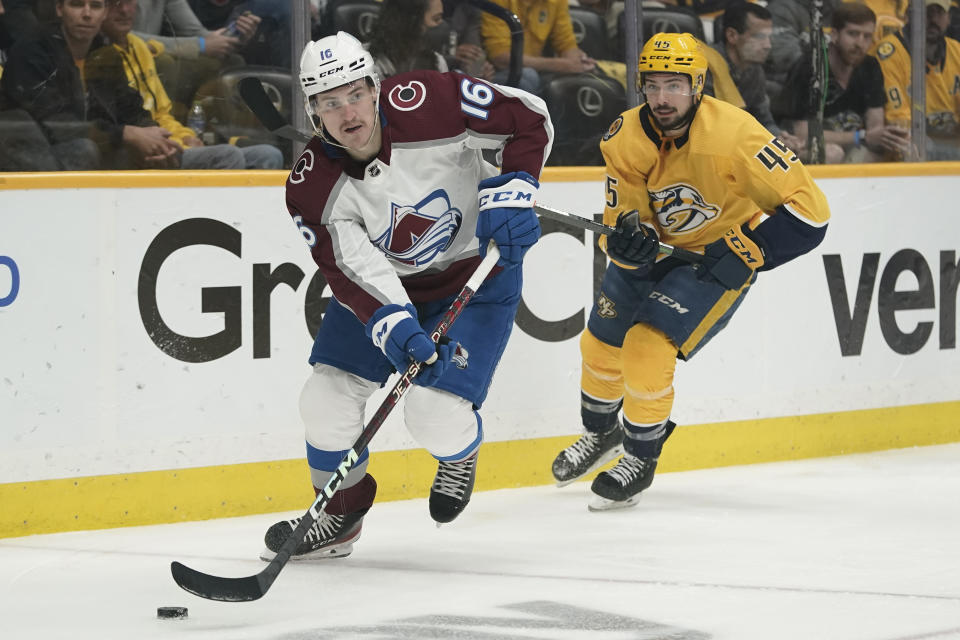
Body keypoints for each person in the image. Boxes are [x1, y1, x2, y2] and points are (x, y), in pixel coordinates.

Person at [261, 31, 553, 559]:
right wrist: (394, 323)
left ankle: (458, 455)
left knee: (432, 414)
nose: (347, 112)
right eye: (330, 103)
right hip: (391, 288)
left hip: (476, 276)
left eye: (354, 94)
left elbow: (527, 118)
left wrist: (513, 191)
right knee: (324, 401)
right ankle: (339, 516)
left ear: (376, 87)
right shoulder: (310, 185)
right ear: (313, 113)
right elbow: (352, 267)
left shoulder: (433, 100)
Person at [550, 32, 830, 511]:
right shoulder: (624, 135)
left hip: (712, 262)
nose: (661, 98)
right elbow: (623, 220)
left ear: (698, 85)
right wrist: (626, 244)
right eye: (653, 85)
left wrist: (748, 250)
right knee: (599, 343)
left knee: (645, 346)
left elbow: (812, 214)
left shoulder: (738, 136)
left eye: (674, 85)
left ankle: (639, 457)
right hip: (660, 253)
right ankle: (600, 436)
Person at [100, 0, 282, 169]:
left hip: (168, 139)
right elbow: (125, 126)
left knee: (268, 154)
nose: (124, 10)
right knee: (227, 156)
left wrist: (186, 136)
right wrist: (201, 45)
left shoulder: (139, 48)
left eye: (129, 2)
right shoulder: (103, 57)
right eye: (116, 3)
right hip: (139, 149)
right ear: (102, 10)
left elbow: (162, 113)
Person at [0, 0, 179, 170]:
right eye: (77, 4)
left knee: (175, 152)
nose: (87, 14)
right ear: (59, 9)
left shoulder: (104, 53)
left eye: (95, 6)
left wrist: (153, 134)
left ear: (105, 12)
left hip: (100, 151)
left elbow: (130, 107)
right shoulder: (34, 50)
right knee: (84, 150)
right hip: (40, 161)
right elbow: (57, 125)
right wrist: (125, 134)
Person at [779, 2, 909, 163]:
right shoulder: (810, 66)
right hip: (798, 148)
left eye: (867, 36)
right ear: (834, 35)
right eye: (853, 34)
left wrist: (888, 138)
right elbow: (801, 132)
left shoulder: (871, 66)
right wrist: (860, 136)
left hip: (850, 145)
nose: (860, 43)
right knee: (833, 153)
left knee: (891, 152)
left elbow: (875, 126)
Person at [873, 0, 960, 159]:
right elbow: (898, 124)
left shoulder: (956, 50)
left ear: (949, 18)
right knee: (916, 147)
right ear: (908, 15)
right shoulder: (889, 53)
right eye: (927, 13)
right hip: (908, 143)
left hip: (950, 139)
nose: (933, 20)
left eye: (939, 13)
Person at [713, 1, 804, 152]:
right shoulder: (704, 67)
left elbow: (764, 120)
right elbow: (711, 128)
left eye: (769, 37)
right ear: (732, 36)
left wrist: (779, 138)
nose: (768, 45)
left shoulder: (754, 70)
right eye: (759, 37)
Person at [480, 0, 596, 94]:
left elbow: (566, 43)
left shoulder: (557, 2)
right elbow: (500, 58)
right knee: (529, 76)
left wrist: (578, 62)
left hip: (535, 71)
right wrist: (562, 65)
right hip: (490, 74)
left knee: (582, 79)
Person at [367, 0, 448, 78]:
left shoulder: (438, 62)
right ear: (410, 21)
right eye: (436, 19)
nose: (442, 25)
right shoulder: (365, 63)